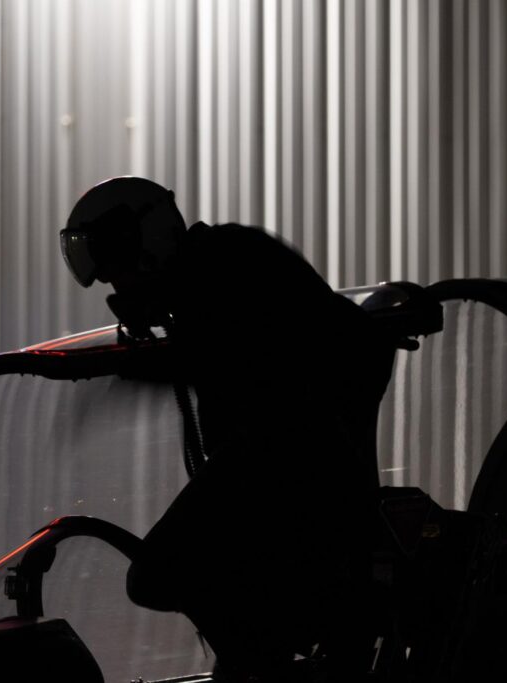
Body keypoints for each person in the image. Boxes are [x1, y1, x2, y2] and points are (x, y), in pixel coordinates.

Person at [60, 176, 396, 681]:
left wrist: (125, 368)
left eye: (119, 271)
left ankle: (260, 661)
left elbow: (227, 355)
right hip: (274, 473)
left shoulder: (231, 262)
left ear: (149, 243)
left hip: (291, 470)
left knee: (158, 575)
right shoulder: (210, 275)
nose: (118, 289)